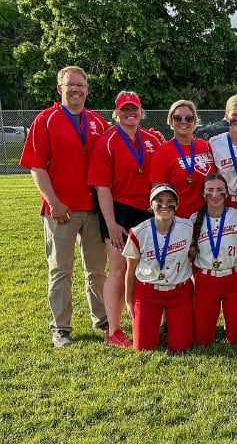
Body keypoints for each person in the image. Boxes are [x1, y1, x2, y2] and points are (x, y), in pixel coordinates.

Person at [20, 66, 110, 348]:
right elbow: (36, 166)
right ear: (59, 88)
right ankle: (61, 327)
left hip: (94, 209)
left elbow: (115, 150)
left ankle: (103, 320)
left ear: (87, 89)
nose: (76, 89)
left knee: (97, 270)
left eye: (81, 85)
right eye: (70, 84)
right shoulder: (45, 120)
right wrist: (53, 202)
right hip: (61, 211)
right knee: (61, 270)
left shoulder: (97, 121)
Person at [87, 91, 164, 347]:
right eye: (124, 109)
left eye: (134, 109)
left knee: (150, 268)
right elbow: (102, 187)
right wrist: (111, 224)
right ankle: (114, 328)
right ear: (116, 113)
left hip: (149, 211)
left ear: (141, 112)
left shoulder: (153, 138)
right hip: (120, 210)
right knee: (119, 270)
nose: (130, 113)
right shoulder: (106, 141)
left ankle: (148, 320)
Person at [123, 184, 194, 352]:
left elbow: (194, 257)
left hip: (179, 293)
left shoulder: (188, 227)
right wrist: (128, 300)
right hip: (148, 294)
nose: (164, 205)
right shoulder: (138, 232)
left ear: (176, 205)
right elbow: (130, 271)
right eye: (159, 201)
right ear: (150, 205)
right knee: (143, 348)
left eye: (170, 201)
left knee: (181, 347)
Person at [190, 174, 237, 346]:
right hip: (206, 281)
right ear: (202, 194)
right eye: (210, 190)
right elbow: (190, 254)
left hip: (235, 279)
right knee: (202, 340)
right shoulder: (194, 219)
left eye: (220, 190)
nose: (215, 195)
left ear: (227, 194)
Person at [150, 100, 215, 218]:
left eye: (189, 118)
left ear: (195, 121)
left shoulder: (206, 146)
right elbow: (158, 193)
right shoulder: (163, 152)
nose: (183, 121)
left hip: (208, 218)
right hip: (179, 221)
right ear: (170, 121)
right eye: (178, 118)